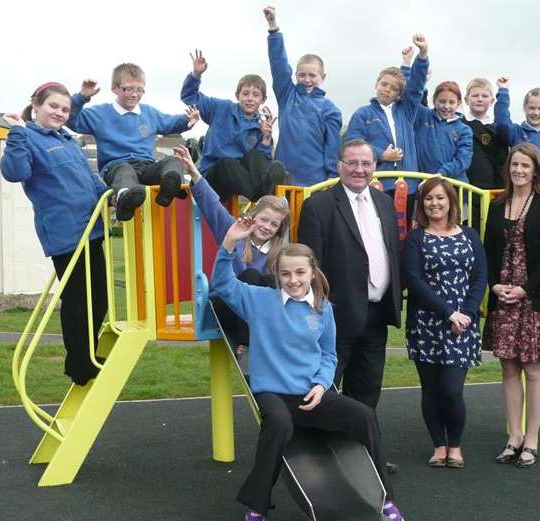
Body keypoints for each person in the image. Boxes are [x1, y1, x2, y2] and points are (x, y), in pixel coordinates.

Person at [211, 225, 405, 521]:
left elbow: (329, 354)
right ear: (277, 275)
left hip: (311, 394)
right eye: (286, 274)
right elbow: (222, 284)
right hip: (273, 392)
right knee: (278, 425)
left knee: (364, 415)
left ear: (312, 273)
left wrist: (321, 384)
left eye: (300, 273)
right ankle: (256, 507)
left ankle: (386, 501)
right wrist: (228, 243)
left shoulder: (323, 309)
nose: (293, 280)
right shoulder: (259, 300)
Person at [298, 138, 402, 473]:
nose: (359, 169)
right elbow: (309, 266)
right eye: (352, 163)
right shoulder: (319, 205)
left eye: (366, 163)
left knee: (367, 392)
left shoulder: (385, 203)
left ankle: (365, 459)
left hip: (376, 315)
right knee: (323, 391)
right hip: (335, 318)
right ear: (339, 165)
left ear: (375, 166)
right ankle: (318, 460)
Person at [0, 82, 109, 385]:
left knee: (100, 299)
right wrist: (18, 132)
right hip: (65, 234)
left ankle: (87, 354)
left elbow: (91, 179)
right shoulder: (27, 137)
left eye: (65, 109)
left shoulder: (69, 141)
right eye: (53, 107)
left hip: (92, 229)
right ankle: (79, 365)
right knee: (77, 300)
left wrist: (109, 196)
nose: (60, 113)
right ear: (36, 104)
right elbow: (15, 172)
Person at [483, 143, 540, 469]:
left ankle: (532, 440)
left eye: (525, 166)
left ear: (535, 170)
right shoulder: (498, 203)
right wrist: (494, 285)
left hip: (533, 300)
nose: (518, 170)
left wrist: (525, 289)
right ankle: (513, 436)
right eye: (514, 165)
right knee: (509, 368)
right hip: (504, 298)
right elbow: (488, 250)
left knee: (533, 369)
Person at [172, 145, 290, 363]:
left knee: (273, 280)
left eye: (274, 224)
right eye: (263, 220)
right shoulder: (235, 232)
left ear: (279, 230)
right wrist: (193, 172)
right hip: (226, 305)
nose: (266, 227)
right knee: (251, 277)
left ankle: (274, 340)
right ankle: (248, 345)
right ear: (253, 216)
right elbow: (212, 205)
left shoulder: (278, 250)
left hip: (255, 313)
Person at [402, 177, 487, 469]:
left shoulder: (469, 236)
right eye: (428, 198)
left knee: (452, 390)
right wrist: (447, 312)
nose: (434, 203)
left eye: (440, 198)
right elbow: (414, 280)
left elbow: (479, 277)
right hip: (427, 323)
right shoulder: (417, 238)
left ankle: (456, 445)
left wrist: (468, 313)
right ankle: (439, 446)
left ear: (451, 201)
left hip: (462, 324)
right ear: (421, 204)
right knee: (431, 390)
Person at [66, 64, 200, 221]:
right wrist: (81, 97)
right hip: (117, 166)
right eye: (128, 89)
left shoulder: (149, 113)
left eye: (140, 90)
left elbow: (171, 122)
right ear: (115, 88)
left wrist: (188, 119)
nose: (135, 94)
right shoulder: (100, 114)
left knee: (174, 160)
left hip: (147, 166)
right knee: (125, 172)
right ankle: (124, 198)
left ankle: (168, 189)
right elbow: (71, 119)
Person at [180, 50, 287, 201]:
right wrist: (196, 75)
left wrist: (266, 139)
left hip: (240, 180)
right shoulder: (220, 108)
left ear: (263, 100)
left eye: (256, 95)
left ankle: (264, 192)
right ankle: (263, 195)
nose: (250, 99)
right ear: (238, 96)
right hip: (213, 175)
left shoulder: (261, 127)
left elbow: (259, 164)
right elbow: (189, 96)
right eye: (245, 93)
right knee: (227, 163)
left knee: (256, 156)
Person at [263, 6, 342, 186]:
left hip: (315, 179)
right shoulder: (287, 94)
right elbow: (279, 65)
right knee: (283, 214)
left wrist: (332, 176)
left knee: (311, 214)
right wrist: (273, 27)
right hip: (284, 176)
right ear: (296, 75)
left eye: (312, 75)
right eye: (302, 75)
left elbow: (333, 145)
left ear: (322, 77)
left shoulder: (329, 108)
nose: (307, 79)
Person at [345, 35, 429, 202]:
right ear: (376, 84)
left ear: (399, 94)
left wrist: (422, 55)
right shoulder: (363, 114)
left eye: (394, 88)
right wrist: (381, 154)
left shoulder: (406, 110)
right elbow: (353, 143)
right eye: (384, 84)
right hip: (376, 183)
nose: (387, 90)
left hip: (407, 184)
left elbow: (416, 86)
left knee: (404, 227)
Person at [493, 77, 540, 190]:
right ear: (524, 108)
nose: (536, 113)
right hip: (522, 192)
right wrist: (503, 91)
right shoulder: (516, 132)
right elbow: (501, 123)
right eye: (532, 108)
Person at [414, 81, 473, 184]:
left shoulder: (464, 130)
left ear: (458, 103)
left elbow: (463, 160)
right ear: (434, 101)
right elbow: (412, 95)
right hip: (424, 184)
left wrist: (442, 173)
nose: (446, 106)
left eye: (451, 102)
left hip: (454, 187)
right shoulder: (423, 115)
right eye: (442, 101)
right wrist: (422, 81)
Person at [462, 78, 508, 191]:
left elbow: (501, 163)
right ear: (466, 100)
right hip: (463, 188)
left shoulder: (496, 129)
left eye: (484, 96)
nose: (480, 99)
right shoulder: (459, 124)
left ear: (492, 101)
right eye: (475, 96)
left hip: (489, 190)